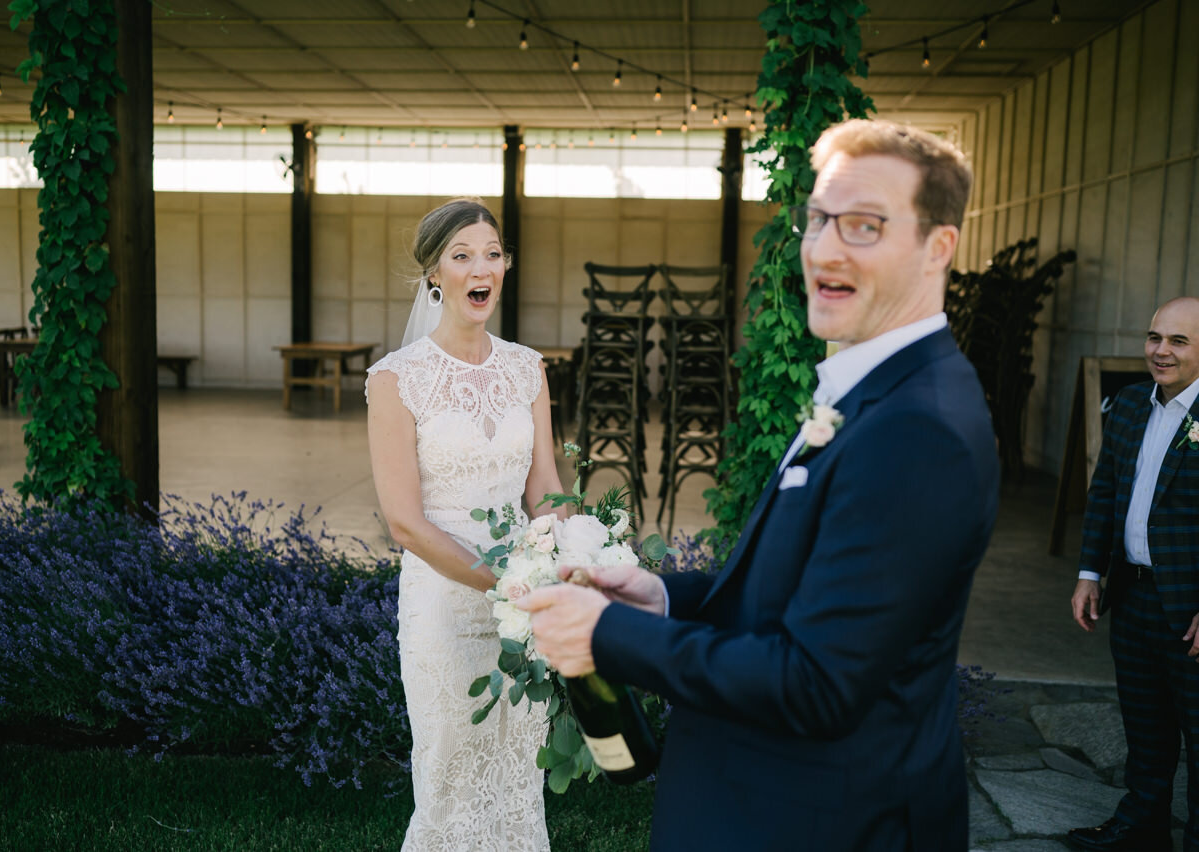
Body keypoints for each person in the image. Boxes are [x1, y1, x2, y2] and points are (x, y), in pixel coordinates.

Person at [517, 119, 1000, 851]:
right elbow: (793, 595)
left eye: (865, 225)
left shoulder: (919, 428)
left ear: (939, 247)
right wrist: (665, 598)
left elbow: (818, 684)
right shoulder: (868, 391)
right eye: (818, 219)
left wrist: (611, 635)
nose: (825, 248)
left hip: (817, 821)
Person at [365, 197, 565, 851]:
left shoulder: (527, 369)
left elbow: (546, 490)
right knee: (451, 770)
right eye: (462, 255)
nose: (482, 267)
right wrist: (500, 582)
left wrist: (573, 556)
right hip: (443, 608)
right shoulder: (396, 381)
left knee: (517, 776)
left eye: (492, 253)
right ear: (433, 274)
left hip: (525, 607)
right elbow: (405, 522)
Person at [1067, 297, 1199, 852]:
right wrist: (1090, 571)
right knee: (1145, 729)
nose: (1160, 351)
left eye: (1178, 341)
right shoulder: (1126, 404)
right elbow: (1105, 494)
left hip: (1192, 611)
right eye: (1154, 337)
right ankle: (1142, 828)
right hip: (1134, 597)